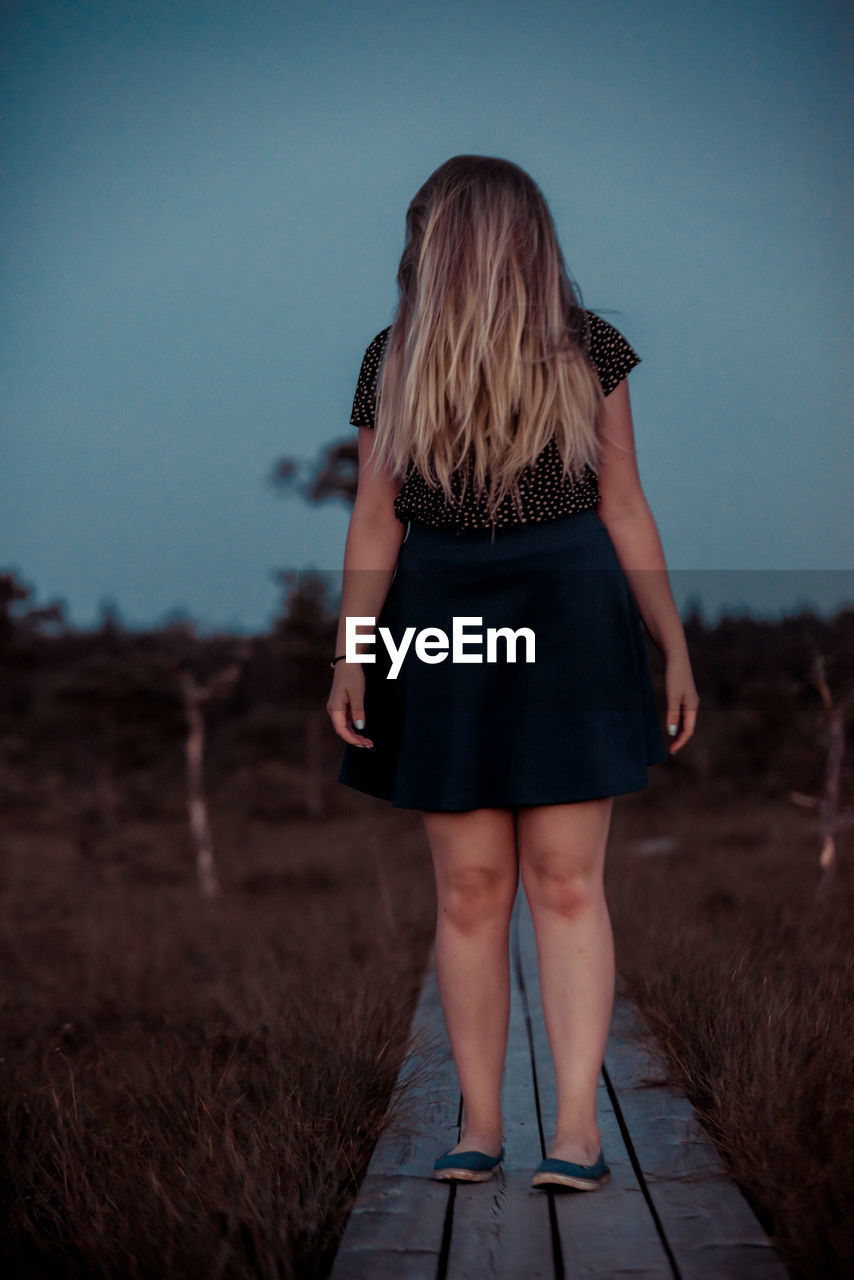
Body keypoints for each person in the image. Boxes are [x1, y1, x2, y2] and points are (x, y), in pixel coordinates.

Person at [326, 155, 698, 1191]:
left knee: (567, 882)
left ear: (447, 236)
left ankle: (575, 1129)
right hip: (439, 614)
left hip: (570, 607)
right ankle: (479, 1124)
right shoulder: (392, 358)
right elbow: (373, 519)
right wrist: (350, 652)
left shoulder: (591, 350)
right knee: (471, 886)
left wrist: (671, 642)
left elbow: (622, 503)